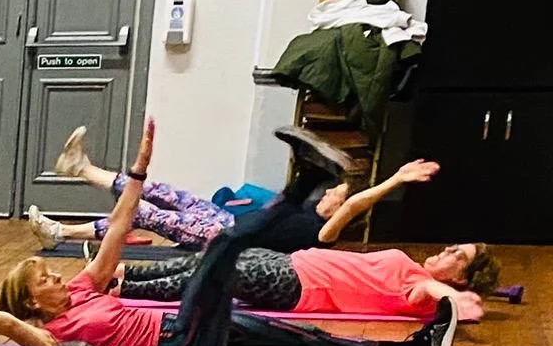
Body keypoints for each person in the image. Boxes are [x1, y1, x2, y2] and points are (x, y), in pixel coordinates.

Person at [0, 120, 459, 346]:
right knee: (220, 247)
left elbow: (120, 226)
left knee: (306, 340)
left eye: (50, 274)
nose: (57, 280)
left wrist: (139, 169)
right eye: (43, 282)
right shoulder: (50, 339)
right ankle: (301, 183)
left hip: (191, 332)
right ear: (31, 307)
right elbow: (2, 324)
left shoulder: (80, 290)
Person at [27, 124, 448, 256]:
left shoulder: (323, 236)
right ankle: (82, 169)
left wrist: (393, 180)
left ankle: (61, 232)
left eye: (337, 195)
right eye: (333, 190)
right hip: (221, 218)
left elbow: (356, 203)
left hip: (221, 238)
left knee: (143, 213)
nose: (334, 195)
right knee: (161, 191)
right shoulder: (299, 208)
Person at [108, 241, 490, 323]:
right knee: (217, 254)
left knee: (219, 275)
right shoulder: (415, 267)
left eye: (459, 256)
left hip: (298, 288)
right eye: (454, 246)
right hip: (293, 263)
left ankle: (124, 290)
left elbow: (432, 293)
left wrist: (458, 301)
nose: (448, 250)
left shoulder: (422, 292)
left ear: (460, 278)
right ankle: (125, 274)